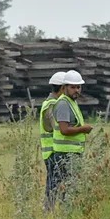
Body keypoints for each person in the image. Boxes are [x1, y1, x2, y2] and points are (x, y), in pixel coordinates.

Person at [50, 70, 94, 205]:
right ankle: (62, 212)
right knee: (66, 186)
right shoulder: (64, 104)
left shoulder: (71, 102)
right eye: (73, 87)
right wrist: (83, 129)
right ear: (64, 88)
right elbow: (64, 130)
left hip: (72, 153)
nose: (76, 90)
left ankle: (64, 211)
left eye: (78, 87)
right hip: (65, 154)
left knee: (69, 186)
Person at [40, 71, 65, 211]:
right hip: (53, 152)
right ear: (62, 88)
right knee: (53, 185)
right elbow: (57, 127)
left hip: (53, 151)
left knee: (55, 184)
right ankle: (48, 212)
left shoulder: (51, 103)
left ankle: (51, 212)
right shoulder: (53, 105)